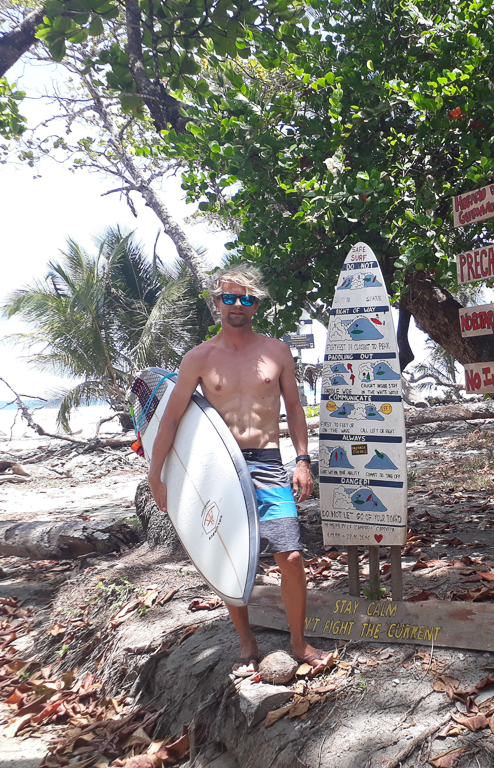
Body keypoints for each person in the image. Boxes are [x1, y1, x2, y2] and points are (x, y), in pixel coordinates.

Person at [147, 264, 326, 674]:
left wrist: (302, 460)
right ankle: (247, 644)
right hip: (220, 468)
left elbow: (295, 410)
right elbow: (172, 420)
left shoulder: (277, 352)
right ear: (217, 303)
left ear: (256, 305)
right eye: (229, 298)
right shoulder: (198, 358)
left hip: (266, 462)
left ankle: (298, 643)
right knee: (229, 558)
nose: (238, 306)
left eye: (246, 299)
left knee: (291, 555)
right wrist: (156, 474)